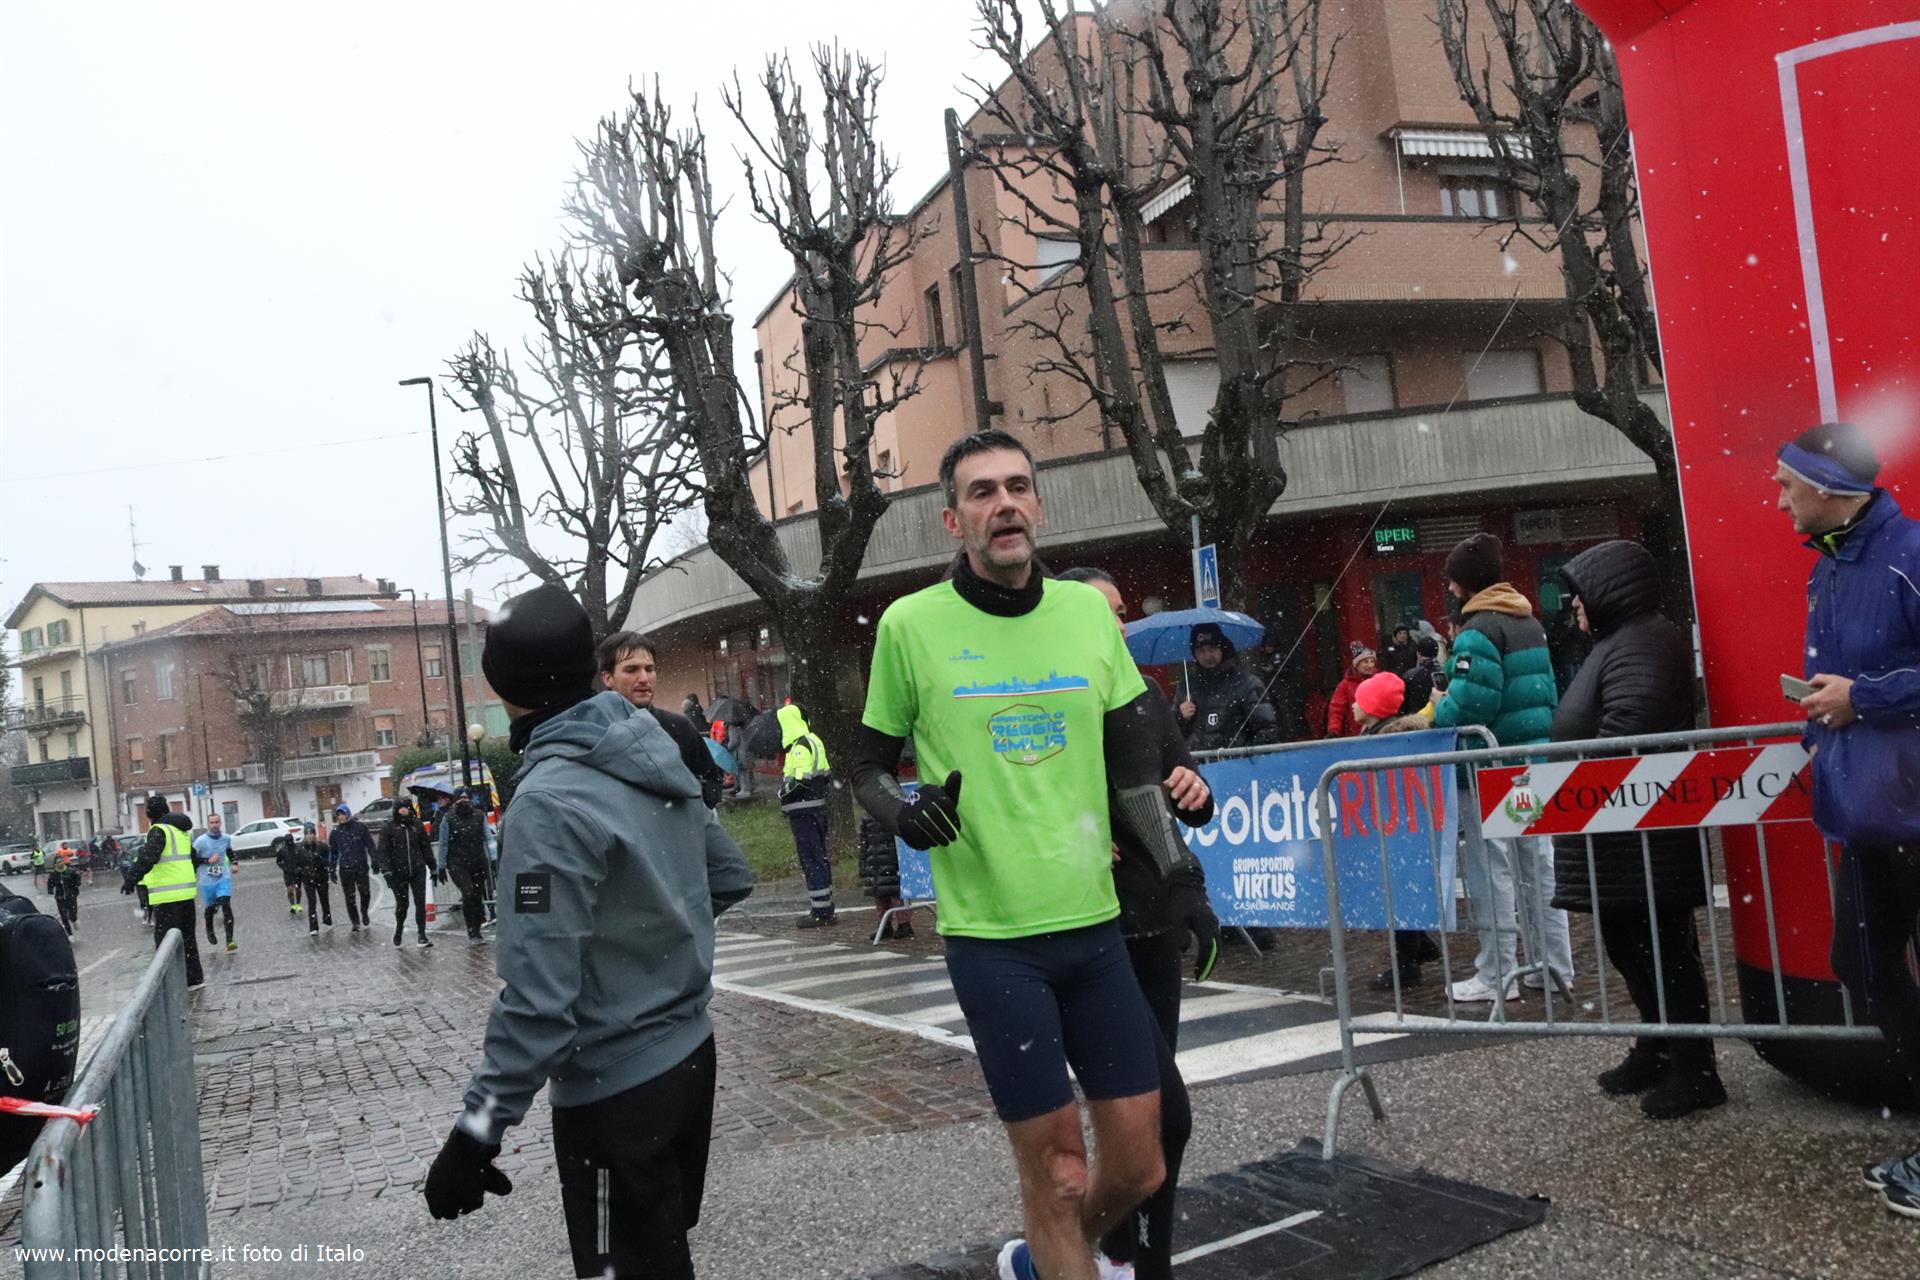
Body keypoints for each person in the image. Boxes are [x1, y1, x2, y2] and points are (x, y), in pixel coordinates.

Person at [852, 431, 1193, 1280]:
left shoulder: (1085, 613)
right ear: (953, 520)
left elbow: (1133, 764)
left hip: (1096, 928)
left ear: (1038, 505)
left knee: (1141, 1164)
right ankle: (1058, 1250)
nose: (1003, 503)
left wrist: (1178, 870)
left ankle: (1044, 1262)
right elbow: (863, 766)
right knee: (1060, 1174)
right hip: (994, 942)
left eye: (1016, 486)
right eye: (981, 492)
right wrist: (904, 811)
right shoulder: (911, 625)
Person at [423, 583, 753, 1280]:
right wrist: (655, 944)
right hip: (690, 1056)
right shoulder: (652, 749)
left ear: (501, 688)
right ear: (588, 667)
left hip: (614, 1092)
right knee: (661, 1257)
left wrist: (475, 1136)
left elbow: (539, 1000)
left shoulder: (547, 804)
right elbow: (725, 875)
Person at [1773, 422, 1920, 1217]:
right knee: (1860, 961)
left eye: (1786, 484)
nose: (1778, 499)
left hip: (1914, 810)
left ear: (1830, 489)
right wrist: (1821, 729)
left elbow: (1862, 687)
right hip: (1865, 813)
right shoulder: (1826, 568)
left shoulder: (1911, 554)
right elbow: (1831, 681)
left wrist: (1864, 698)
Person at [1060, 566, 1218, 1280]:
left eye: (1121, 611)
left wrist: (1196, 791)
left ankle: (1117, 1252)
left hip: (1155, 922)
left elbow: (1184, 795)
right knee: (1163, 1118)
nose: (1119, 626)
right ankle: (1131, 1262)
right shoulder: (1052, 704)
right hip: (1093, 933)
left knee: (1145, 1122)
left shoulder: (1146, 696)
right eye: (1104, 614)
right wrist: (1078, 828)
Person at [1545, 538, 1723, 1118]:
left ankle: (1694, 1068)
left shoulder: (1644, 640)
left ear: (1609, 590)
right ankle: (1658, 1045)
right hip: (1619, 833)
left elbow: (1630, 725)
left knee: (1662, 949)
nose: (1574, 605)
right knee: (1631, 944)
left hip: (1641, 835)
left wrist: (1576, 783)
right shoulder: (1623, 641)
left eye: (1579, 594)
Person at [1433, 532, 1575, 1002]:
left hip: (1489, 769)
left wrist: (1439, 705)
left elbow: (1472, 704)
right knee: (1537, 867)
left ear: (1467, 582)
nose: (1450, 588)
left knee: (1491, 872)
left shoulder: (1478, 630)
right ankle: (1553, 967)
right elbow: (1543, 690)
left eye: (1453, 580)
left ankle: (1497, 975)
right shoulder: (1527, 622)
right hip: (1530, 762)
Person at [1349, 671, 1445, 992]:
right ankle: (1419, 946)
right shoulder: (1384, 736)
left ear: (1373, 708)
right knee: (1399, 894)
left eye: (1359, 701)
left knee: (1397, 896)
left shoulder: (1386, 741)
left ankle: (1407, 966)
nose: (1353, 705)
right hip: (1398, 829)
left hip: (1397, 830)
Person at [597, 630, 727, 809]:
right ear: (608, 678)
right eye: (631, 670)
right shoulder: (594, 731)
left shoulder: (679, 727)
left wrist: (687, 808)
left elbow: (711, 780)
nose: (644, 678)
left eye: (649, 669)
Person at [130, 794, 205, 991]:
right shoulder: (180, 831)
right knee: (188, 939)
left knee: (165, 943)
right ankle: (194, 979)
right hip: (186, 893)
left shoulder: (159, 830)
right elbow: (193, 858)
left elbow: (149, 856)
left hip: (167, 896)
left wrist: (132, 877)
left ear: (150, 814)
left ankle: (167, 983)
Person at [777, 703, 836, 928]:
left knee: (811, 860)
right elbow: (826, 776)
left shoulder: (799, 747)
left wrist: (782, 793)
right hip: (817, 810)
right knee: (819, 858)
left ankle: (821, 912)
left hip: (804, 813)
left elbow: (801, 780)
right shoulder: (814, 741)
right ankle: (825, 906)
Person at [1176, 621, 1271, 752]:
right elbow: (1171, 738)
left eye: (1212, 649)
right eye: (1201, 651)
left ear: (1223, 648)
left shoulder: (1247, 683)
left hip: (1238, 762)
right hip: (1199, 763)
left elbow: (1266, 731)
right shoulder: (1186, 687)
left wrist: (1243, 757)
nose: (1207, 656)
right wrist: (1180, 718)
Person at [376, 799, 435, 948]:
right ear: (396, 810)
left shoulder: (417, 825)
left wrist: (433, 867)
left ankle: (422, 934)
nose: (403, 810)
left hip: (417, 869)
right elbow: (383, 851)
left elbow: (426, 848)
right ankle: (399, 928)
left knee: (420, 902)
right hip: (398, 872)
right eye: (400, 808)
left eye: (406, 807)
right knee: (403, 904)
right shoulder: (389, 828)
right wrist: (386, 870)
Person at [439, 788, 492, 944]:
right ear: (455, 801)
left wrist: (494, 858)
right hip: (457, 863)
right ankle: (472, 931)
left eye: (466, 798)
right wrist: (441, 866)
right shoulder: (448, 819)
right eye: (460, 798)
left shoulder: (479, 815)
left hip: (478, 860)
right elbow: (443, 843)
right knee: (468, 893)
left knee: (477, 895)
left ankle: (477, 930)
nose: (464, 801)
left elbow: (488, 837)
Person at [329, 804, 376, 934]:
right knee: (350, 897)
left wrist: (374, 860)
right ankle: (355, 921)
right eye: (338, 815)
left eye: (342, 814)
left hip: (361, 866)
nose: (341, 817)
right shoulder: (335, 833)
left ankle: (364, 911)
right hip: (345, 868)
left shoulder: (360, 828)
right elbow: (333, 853)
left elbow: (370, 845)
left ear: (348, 814)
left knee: (365, 892)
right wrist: (332, 869)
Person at [195, 813, 237, 953]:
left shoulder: (226, 838)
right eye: (212, 822)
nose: (214, 825)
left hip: (223, 877)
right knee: (210, 909)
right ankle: (209, 928)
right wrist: (207, 860)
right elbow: (192, 859)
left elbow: (229, 851)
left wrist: (234, 863)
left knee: (226, 905)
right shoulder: (200, 841)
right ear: (208, 824)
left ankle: (230, 940)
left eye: (217, 822)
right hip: (207, 881)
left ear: (220, 823)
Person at [1326, 642, 1377, 738]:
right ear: (1356, 664)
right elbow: (1336, 710)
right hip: (1355, 735)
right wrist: (1334, 730)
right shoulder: (1344, 685)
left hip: (1377, 731)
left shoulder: (1379, 680)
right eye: (1366, 662)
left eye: (1372, 661)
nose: (1370, 665)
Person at [292, 822, 333, 935]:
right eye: (307, 834)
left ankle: (327, 919)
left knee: (324, 900)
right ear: (305, 835)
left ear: (314, 834)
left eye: (311, 833)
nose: (309, 836)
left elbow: (329, 860)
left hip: (321, 877)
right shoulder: (300, 849)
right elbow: (297, 865)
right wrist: (298, 880)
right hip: (308, 879)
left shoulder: (322, 847)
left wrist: (323, 863)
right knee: (311, 902)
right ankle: (313, 926)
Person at [1402, 635, 1440, 717]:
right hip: (1436, 715)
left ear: (1418, 653)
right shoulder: (1442, 672)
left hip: (1416, 717)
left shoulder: (1411, 675)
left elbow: (1404, 701)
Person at [46, 850, 81, 938]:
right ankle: (69, 935)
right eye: (58, 862)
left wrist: (76, 884)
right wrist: (50, 890)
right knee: (64, 916)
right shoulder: (54, 874)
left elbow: (77, 880)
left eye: (61, 861)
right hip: (60, 897)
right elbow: (50, 883)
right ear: (55, 864)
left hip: (71, 896)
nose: (60, 863)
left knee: (72, 913)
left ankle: (74, 919)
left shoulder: (70, 871)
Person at [274, 828, 305, 917]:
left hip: (297, 873)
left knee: (298, 889)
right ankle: (293, 905)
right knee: (290, 889)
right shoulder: (282, 851)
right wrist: (284, 868)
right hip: (288, 873)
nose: (289, 843)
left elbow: (303, 859)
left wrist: (300, 868)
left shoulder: (298, 849)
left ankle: (298, 904)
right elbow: (278, 861)